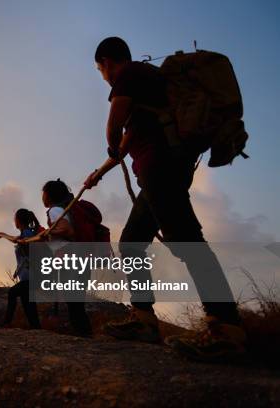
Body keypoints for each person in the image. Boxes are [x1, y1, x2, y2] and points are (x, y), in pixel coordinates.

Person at [84, 36, 245, 360]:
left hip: (160, 170)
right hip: (162, 170)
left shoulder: (130, 74)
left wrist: (111, 142)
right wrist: (98, 173)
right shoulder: (150, 84)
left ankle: (226, 329)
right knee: (131, 242)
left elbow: (115, 127)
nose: (103, 75)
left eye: (100, 69)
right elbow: (128, 141)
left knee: (187, 241)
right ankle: (144, 320)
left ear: (106, 62)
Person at [40, 179, 93, 337]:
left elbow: (67, 230)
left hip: (69, 257)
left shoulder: (54, 210)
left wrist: (47, 233)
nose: (42, 196)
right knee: (76, 301)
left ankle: (82, 335)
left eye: (43, 193)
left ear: (49, 195)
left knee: (74, 302)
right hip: (80, 256)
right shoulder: (65, 209)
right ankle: (85, 333)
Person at [0, 209, 43, 329]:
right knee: (27, 302)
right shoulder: (27, 233)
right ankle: (35, 327)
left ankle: (7, 322)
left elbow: (17, 240)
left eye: (15, 218)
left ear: (19, 221)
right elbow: (15, 238)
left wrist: (4, 235)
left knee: (13, 293)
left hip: (31, 275)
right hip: (27, 276)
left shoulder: (27, 234)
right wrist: (3, 234)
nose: (14, 221)